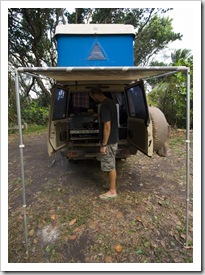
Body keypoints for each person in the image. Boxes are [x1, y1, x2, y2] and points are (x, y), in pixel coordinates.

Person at [89, 88, 119, 200]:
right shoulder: (110, 103)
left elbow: (107, 126)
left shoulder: (104, 106)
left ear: (95, 95)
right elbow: (109, 117)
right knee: (110, 164)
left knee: (110, 165)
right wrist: (99, 115)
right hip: (113, 139)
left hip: (109, 142)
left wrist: (104, 144)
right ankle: (111, 187)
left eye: (92, 97)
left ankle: (112, 191)